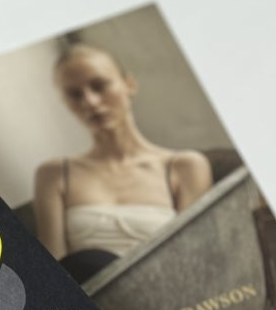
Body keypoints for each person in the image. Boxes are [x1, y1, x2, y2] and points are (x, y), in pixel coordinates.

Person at [34, 44, 212, 283]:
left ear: (129, 85)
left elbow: (195, 257)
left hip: (166, 288)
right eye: (75, 95)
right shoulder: (54, 174)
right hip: (90, 292)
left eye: (99, 86)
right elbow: (53, 270)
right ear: (66, 103)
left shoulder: (185, 166)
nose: (90, 102)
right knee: (87, 263)